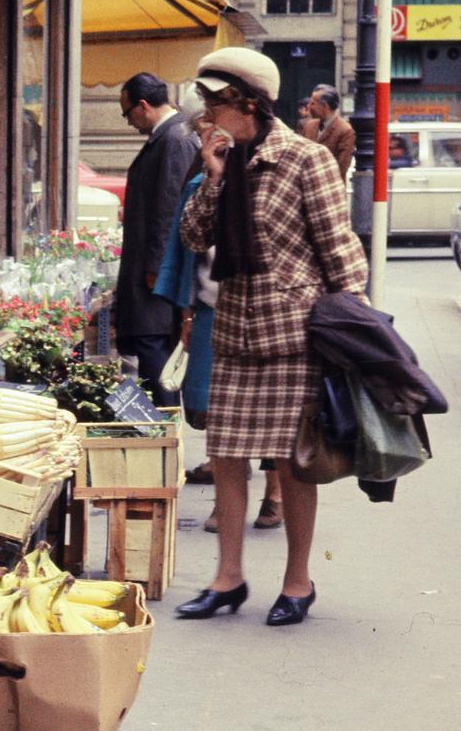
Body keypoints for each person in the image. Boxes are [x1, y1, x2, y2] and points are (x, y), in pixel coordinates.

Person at [174, 48, 369, 627]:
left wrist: (355, 330)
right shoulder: (221, 159)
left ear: (248, 103)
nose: (206, 115)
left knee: (292, 463)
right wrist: (211, 177)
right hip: (234, 330)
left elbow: (339, 248)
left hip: (293, 334)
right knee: (226, 456)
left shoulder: (305, 159)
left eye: (215, 104)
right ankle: (227, 578)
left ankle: (297, 581)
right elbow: (191, 237)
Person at [154, 92, 283, 535]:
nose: (206, 130)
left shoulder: (271, 168)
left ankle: (275, 493)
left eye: (211, 120)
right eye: (201, 124)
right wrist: (186, 312)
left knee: (273, 414)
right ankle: (228, 506)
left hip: (269, 314)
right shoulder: (203, 175)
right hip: (215, 309)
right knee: (218, 410)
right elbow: (189, 244)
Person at [116, 72, 199, 408]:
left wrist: (156, 268)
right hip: (154, 271)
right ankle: (161, 428)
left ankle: (163, 430)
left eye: (127, 113)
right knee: (152, 350)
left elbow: (169, 208)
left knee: (154, 351)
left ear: (144, 106)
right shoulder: (169, 136)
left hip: (156, 276)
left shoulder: (175, 138)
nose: (128, 122)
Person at [301, 83, 355, 179]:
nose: (308, 106)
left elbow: (341, 168)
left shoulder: (345, 131)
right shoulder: (309, 126)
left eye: (312, 103)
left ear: (325, 106)